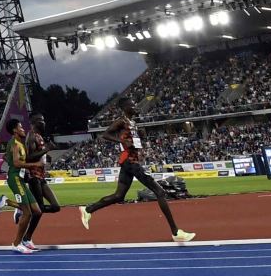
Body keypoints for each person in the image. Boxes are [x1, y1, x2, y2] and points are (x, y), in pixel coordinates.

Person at [80, 99, 195, 242]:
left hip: (130, 162)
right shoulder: (121, 121)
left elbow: (133, 141)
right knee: (160, 191)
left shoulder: (133, 123)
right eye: (132, 105)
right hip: (130, 161)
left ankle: (88, 210)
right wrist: (121, 141)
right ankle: (176, 233)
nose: (135, 107)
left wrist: (138, 138)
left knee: (119, 196)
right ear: (125, 107)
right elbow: (105, 134)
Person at [5, 118, 40, 253]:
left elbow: (9, 159)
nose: (23, 129)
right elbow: (16, 163)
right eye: (20, 127)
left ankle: (8, 202)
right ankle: (16, 243)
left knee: (36, 211)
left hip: (20, 179)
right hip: (15, 179)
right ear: (15, 130)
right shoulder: (14, 144)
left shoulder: (20, 143)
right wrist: (34, 165)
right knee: (28, 213)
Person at [24, 112, 63, 222]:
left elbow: (38, 154)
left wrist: (46, 155)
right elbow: (28, 157)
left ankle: (25, 210)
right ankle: (22, 211)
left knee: (56, 207)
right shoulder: (31, 136)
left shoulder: (39, 136)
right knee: (39, 209)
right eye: (41, 120)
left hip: (41, 176)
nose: (44, 122)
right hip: (34, 177)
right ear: (33, 122)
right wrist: (47, 149)